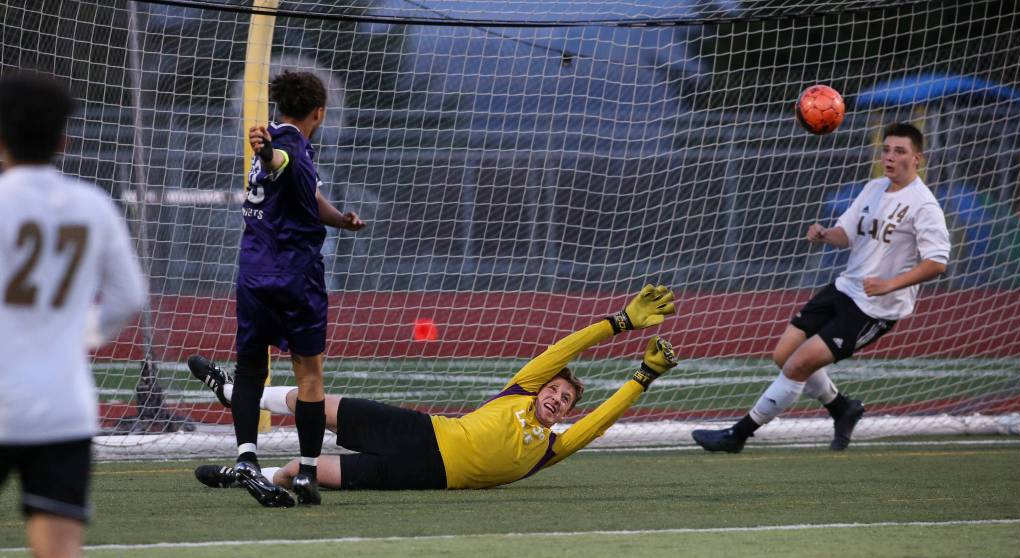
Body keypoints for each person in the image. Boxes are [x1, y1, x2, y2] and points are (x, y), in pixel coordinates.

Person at [190, 285, 678, 504]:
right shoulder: (519, 391)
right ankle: (236, 393)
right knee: (311, 402)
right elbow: (563, 348)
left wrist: (642, 377)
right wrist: (620, 323)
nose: (556, 399)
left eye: (565, 400)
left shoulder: (551, 448)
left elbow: (603, 420)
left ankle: (255, 482)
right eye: (554, 389)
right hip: (419, 429)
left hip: (419, 472)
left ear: (568, 412)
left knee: (298, 471)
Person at [693, 122, 951, 453]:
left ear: (917, 158)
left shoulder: (923, 205)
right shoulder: (873, 188)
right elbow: (847, 234)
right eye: (886, 149)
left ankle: (737, 435)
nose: (889, 157)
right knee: (783, 355)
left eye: (899, 151)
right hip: (845, 288)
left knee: (799, 364)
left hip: (874, 307)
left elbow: (937, 262)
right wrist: (826, 234)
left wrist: (890, 284)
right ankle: (842, 408)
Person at [0, 73, 147, 558]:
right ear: (63, 138)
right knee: (60, 550)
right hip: (64, 405)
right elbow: (129, 297)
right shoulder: (94, 206)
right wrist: (82, 335)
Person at [231, 70, 365, 506]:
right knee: (310, 374)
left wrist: (340, 219)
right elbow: (279, 162)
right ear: (319, 112)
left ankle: (247, 459)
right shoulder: (286, 146)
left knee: (252, 367)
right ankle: (308, 471)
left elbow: (304, 191)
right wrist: (269, 152)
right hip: (296, 275)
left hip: (253, 274)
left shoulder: (282, 141)